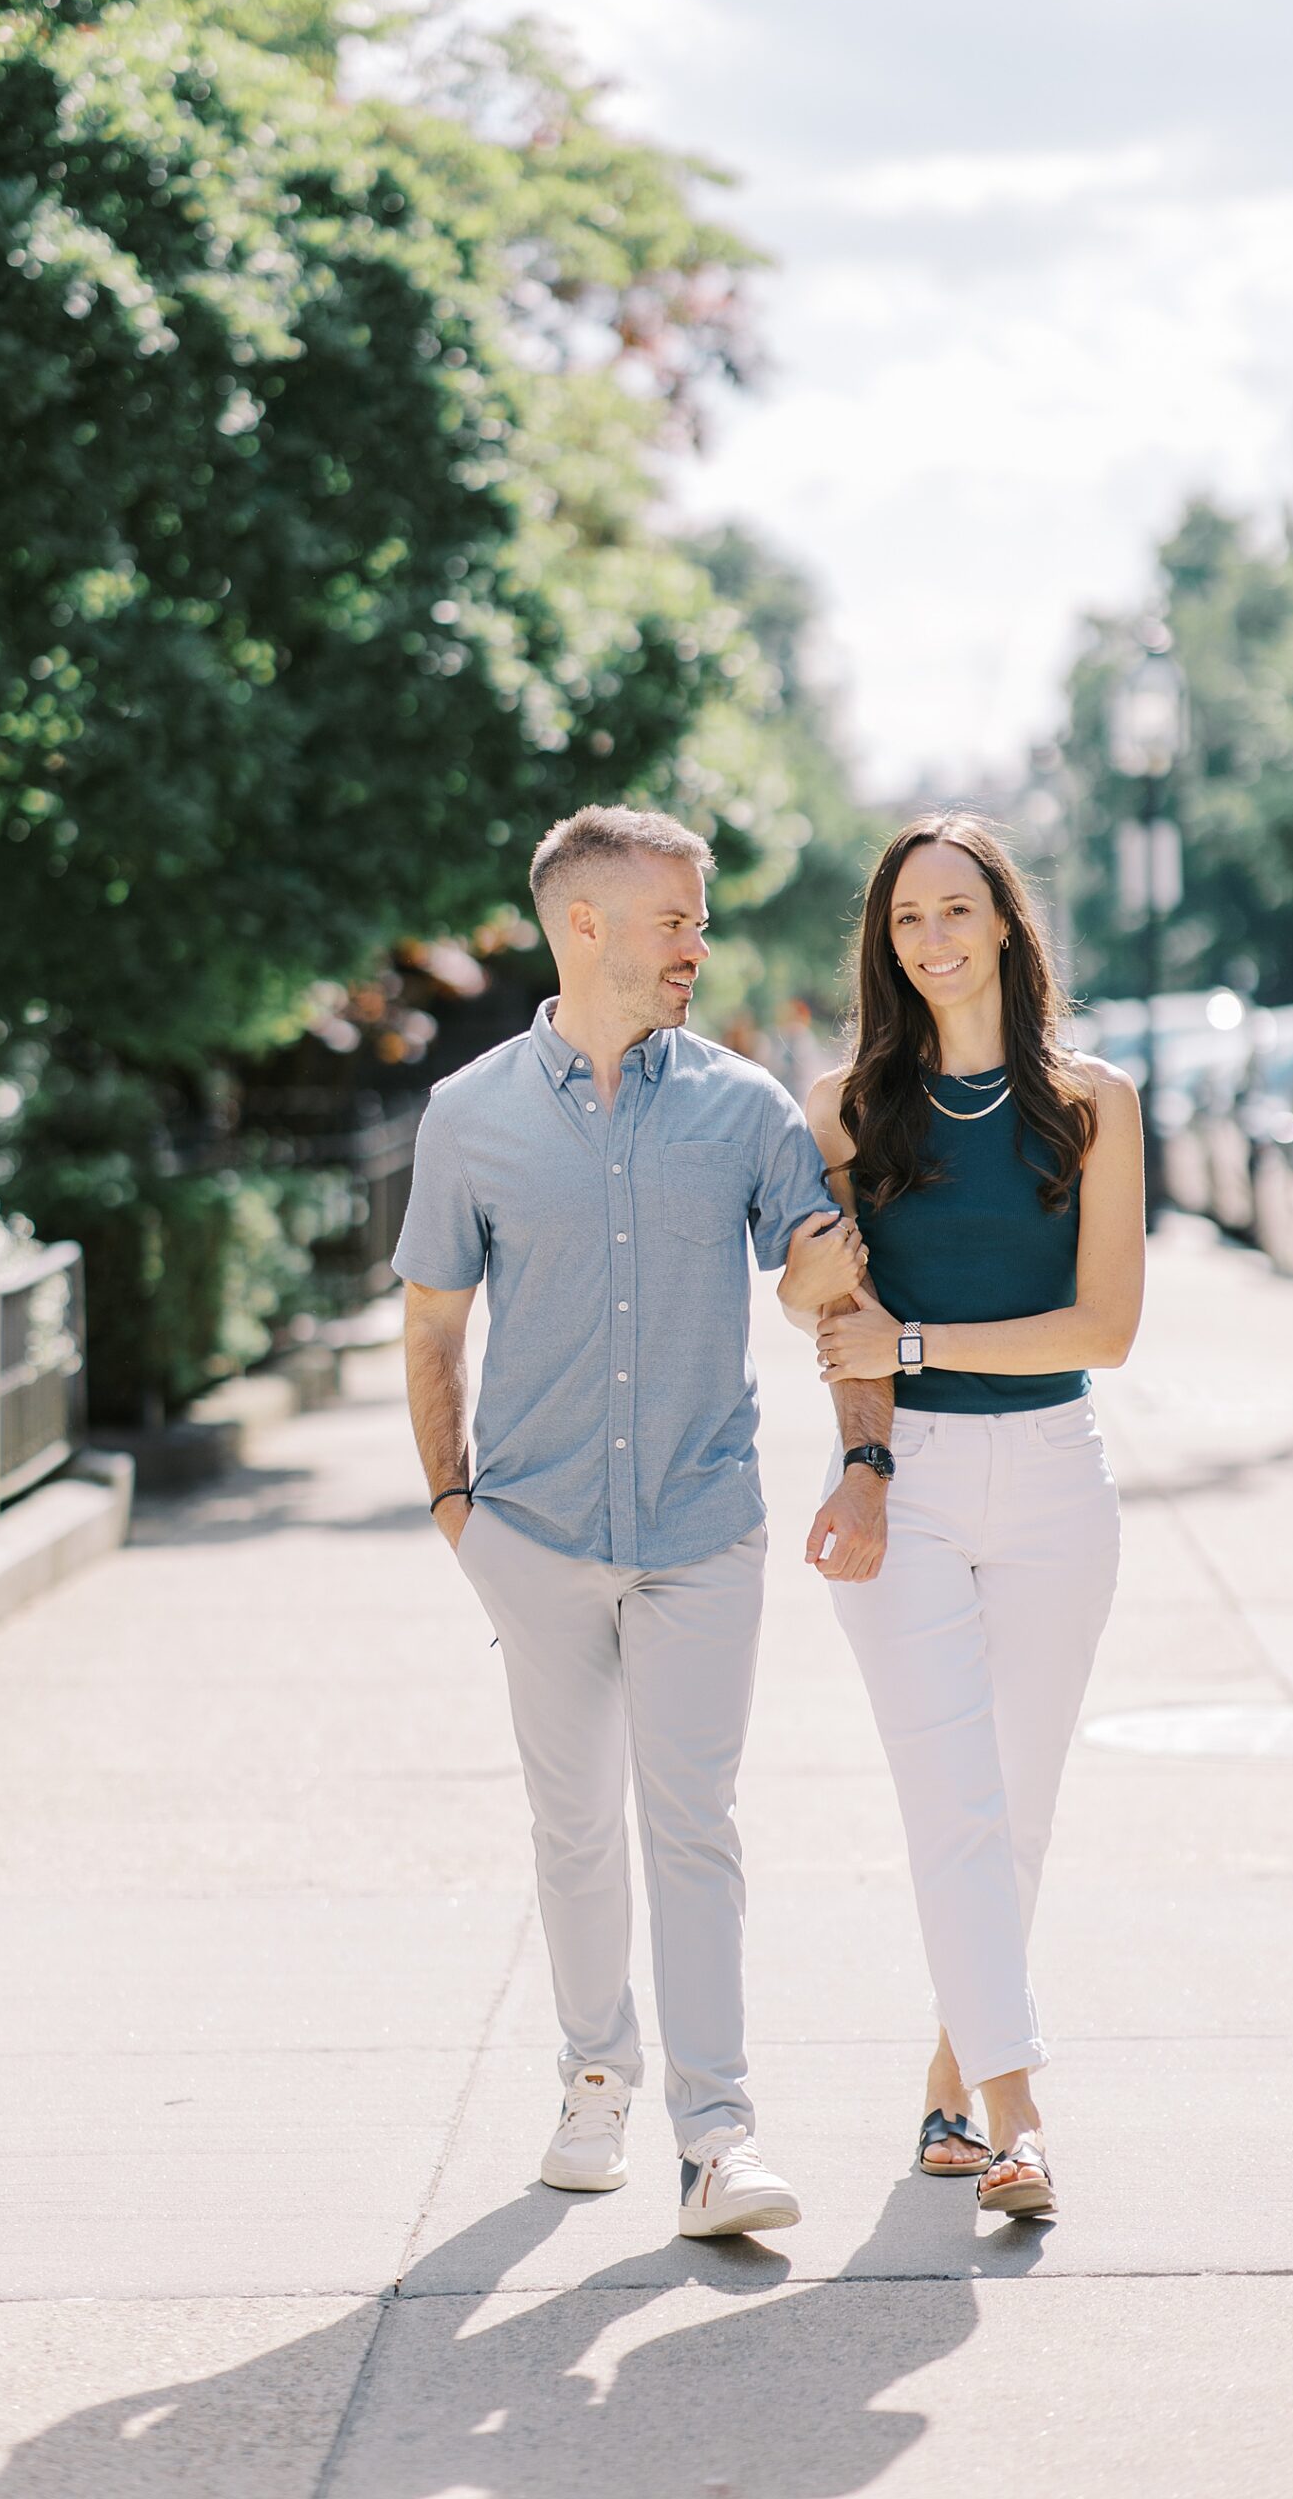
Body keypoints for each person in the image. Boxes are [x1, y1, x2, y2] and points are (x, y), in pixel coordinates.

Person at [393, 803, 863, 2237]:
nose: (698, 947)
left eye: (700, 920)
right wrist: (456, 1509)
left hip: (701, 1525)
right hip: (529, 1536)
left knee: (692, 1824)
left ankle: (718, 2134)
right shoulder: (468, 1115)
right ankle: (593, 2078)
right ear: (583, 923)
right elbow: (430, 1329)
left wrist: (827, 1259)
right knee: (571, 1825)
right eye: (676, 919)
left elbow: (811, 1279)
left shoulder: (745, 1106)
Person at [787, 813, 1143, 2220]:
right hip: (906, 1486)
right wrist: (856, 1393)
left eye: (955, 910)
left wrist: (911, 1342)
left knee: (1018, 1812)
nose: (931, 940)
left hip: (1059, 1475)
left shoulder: (1093, 1098)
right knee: (953, 1804)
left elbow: (1104, 1329)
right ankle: (1021, 2121)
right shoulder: (842, 1109)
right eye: (906, 921)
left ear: (1004, 922)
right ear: (888, 945)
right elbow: (825, 1312)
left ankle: (948, 2079)